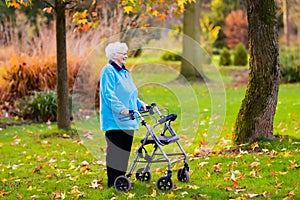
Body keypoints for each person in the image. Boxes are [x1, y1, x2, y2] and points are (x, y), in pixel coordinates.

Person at [99, 42, 146, 188]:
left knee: (124, 150)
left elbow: (131, 94)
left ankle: (121, 179)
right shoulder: (108, 71)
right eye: (122, 53)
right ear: (114, 55)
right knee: (115, 151)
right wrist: (122, 109)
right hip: (115, 120)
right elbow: (108, 94)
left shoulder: (125, 72)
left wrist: (140, 104)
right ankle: (113, 182)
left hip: (128, 119)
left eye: (126, 53)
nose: (126, 55)